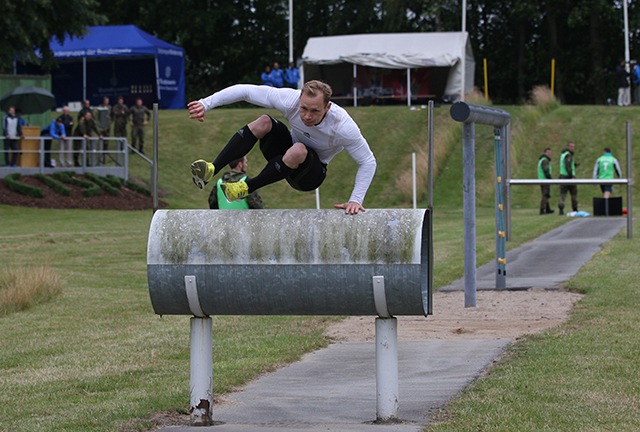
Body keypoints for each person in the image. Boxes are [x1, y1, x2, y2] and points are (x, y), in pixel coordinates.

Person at [188, 80, 377, 215]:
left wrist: (356, 199)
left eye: (314, 111)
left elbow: (368, 161)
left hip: (309, 175)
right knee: (264, 121)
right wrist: (205, 103)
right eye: (304, 108)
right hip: (282, 159)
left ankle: (246, 187)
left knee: (299, 149)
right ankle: (212, 169)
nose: (307, 116)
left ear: (327, 108)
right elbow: (245, 91)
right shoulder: (290, 100)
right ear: (299, 100)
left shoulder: (342, 126)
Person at [558, 141, 578, 215]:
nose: (573, 148)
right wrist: (571, 176)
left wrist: (574, 165)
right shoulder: (568, 155)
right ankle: (575, 209)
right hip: (568, 176)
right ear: (568, 147)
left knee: (562, 194)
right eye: (571, 146)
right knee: (574, 194)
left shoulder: (563, 154)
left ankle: (561, 208)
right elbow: (568, 166)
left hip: (562, 176)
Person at [111, 96, 129, 165]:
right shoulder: (115, 107)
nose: (120, 102)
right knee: (117, 135)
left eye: (121, 101)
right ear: (118, 101)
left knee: (123, 135)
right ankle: (118, 147)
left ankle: (122, 147)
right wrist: (121, 113)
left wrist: (123, 113)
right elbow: (115, 113)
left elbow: (127, 113)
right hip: (117, 123)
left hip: (123, 123)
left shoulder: (125, 107)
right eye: (119, 101)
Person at [94, 96, 111, 165]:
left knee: (107, 139)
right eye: (106, 101)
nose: (107, 102)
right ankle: (100, 157)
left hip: (107, 126)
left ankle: (106, 150)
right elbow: (96, 115)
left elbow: (111, 115)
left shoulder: (110, 107)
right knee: (101, 140)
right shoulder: (99, 107)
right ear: (103, 101)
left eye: (108, 101)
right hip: (101, 126)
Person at [537, 147, 554, 215]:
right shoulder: (545, 160)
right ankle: (542, 209)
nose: (549, 154)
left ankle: (547, 209)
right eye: (548, 152)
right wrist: (549, 178)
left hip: (542, 179)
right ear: (545, 153)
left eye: (550, 153)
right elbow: (546, 170)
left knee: (546, 194)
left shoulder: (542, 159)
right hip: (544, 179)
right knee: (545, 195)